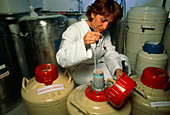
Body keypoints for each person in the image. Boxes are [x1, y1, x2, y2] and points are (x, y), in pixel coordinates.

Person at [56, 0, 131, 85]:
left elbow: (110, 52)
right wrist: (83, 43)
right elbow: (61, 58)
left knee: (124, 60)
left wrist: (118, 69)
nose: (105, 27)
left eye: (109, 23)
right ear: (93, 14)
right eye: (103, 20)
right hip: (81, 68)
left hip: (97, 64)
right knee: (105, 79)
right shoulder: (74, 29)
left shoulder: (105, 33)